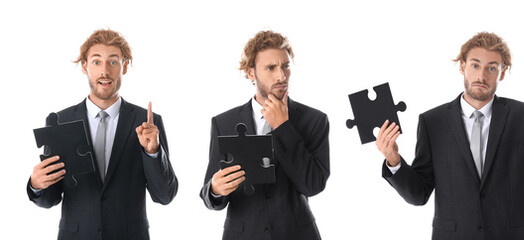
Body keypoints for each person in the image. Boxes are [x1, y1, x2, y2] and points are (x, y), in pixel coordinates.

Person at [375, 31, 524, 239]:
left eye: (492, 68)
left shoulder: (522, 116)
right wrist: (394, 161)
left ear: (502, 73)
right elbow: (419, 195)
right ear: (462, 67)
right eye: (475, 65)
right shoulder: (432, 122)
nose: (482, 76)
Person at [27, 29, 178, 240]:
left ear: (124, 66)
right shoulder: (60, 122)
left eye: (113, 62)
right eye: (96, 62)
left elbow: (164, 195)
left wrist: (152, 152)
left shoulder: (148, 123)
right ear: (84, 66)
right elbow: (49, 199)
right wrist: (36, 185)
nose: (104, 71)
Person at [199, 30, 330, 240]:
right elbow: (209, 193)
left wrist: (283, 127)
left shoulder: (314, 120)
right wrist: (215, 189)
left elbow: (313, 185)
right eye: (271, 68)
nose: (281, 76)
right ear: (251, 73)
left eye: (285, 66)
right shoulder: (223, 123)